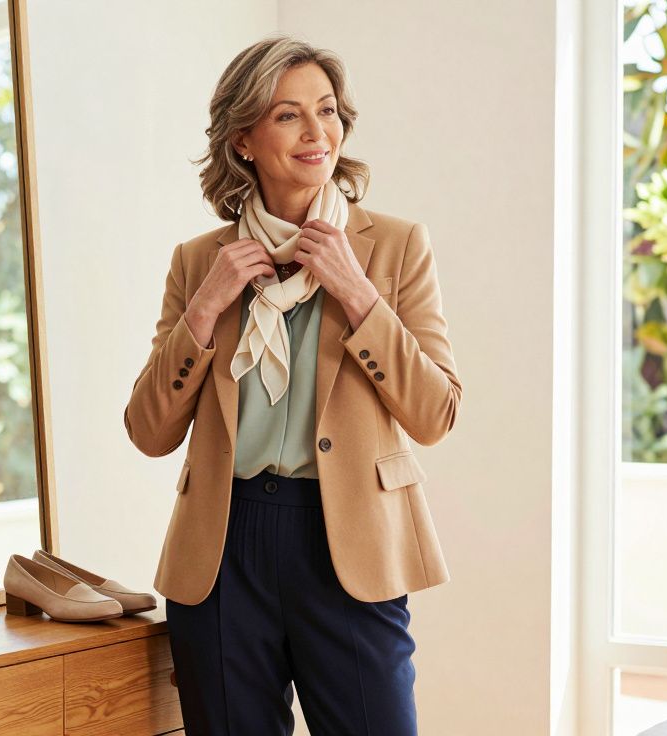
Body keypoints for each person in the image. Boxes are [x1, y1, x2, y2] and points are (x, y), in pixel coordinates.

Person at [124, 35, 462, 735]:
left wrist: (359, 294)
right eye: (288, 115)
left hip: (349, 543)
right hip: (223, 546)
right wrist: (205, 309)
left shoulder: (393, 247)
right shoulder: (200, 262)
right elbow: (149, 430)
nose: (318, 133)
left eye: (328, 111)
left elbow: (436, 412)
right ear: (243, 138)